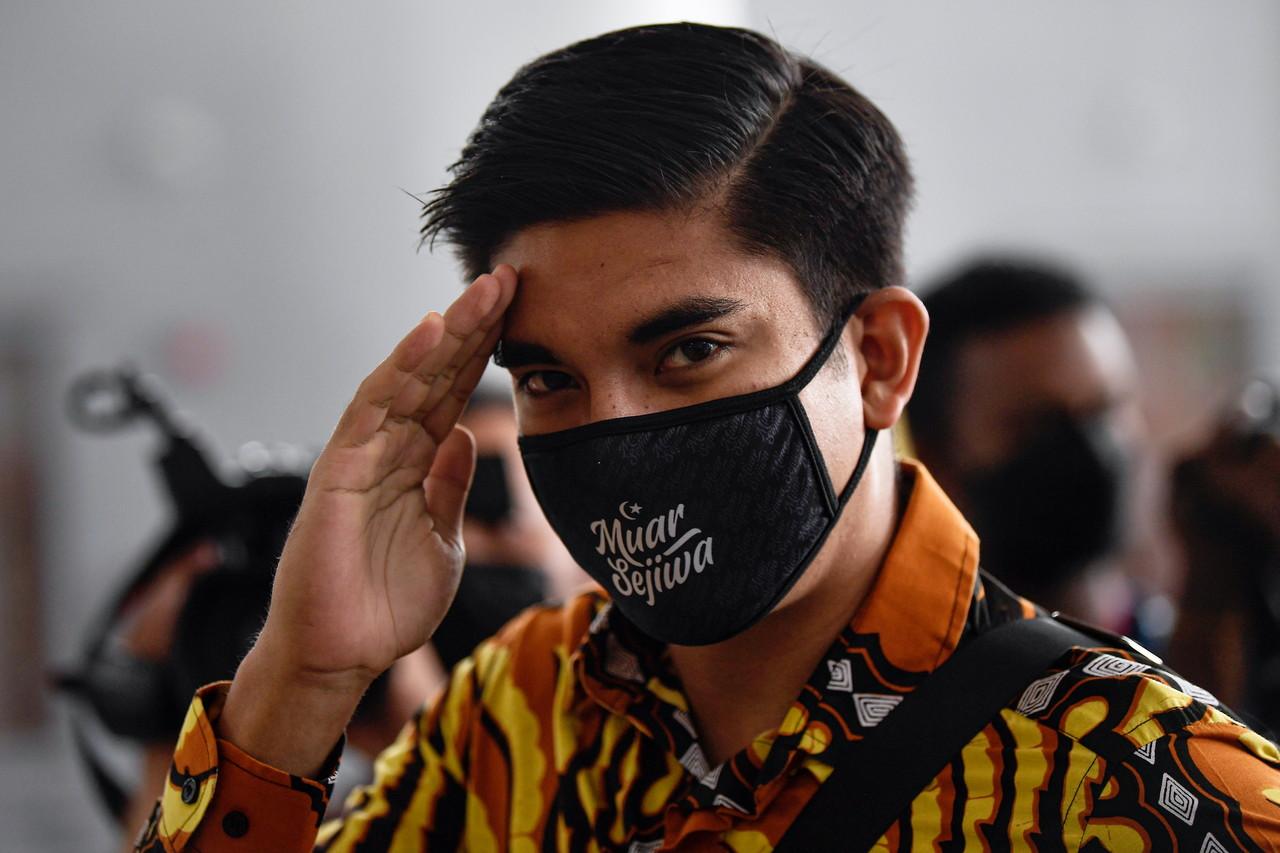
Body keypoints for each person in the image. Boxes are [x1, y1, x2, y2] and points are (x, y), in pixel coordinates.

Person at [131, 23, 1280, 852]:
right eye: (548, 376)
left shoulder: (1156, 788)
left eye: (687, 351)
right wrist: (301, 673)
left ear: (877, 357)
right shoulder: (519, 718)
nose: (615, 430)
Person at [906, 258, 1144, 626]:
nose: (1092, 450)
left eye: (1105, 410)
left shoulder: (1197, 649)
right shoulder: (914, 673)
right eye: (1040, 425)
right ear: (934, 458)